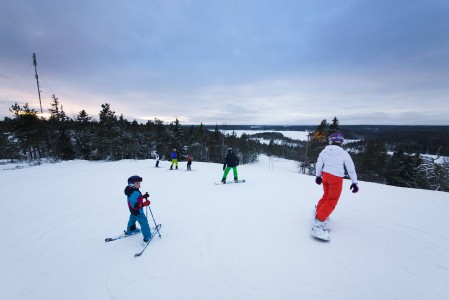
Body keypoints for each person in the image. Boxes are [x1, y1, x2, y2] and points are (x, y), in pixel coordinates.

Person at [313, 132, 359, 233]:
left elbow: (318, 164)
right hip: (336, 178)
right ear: (341, 141)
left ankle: (318, 212)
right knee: (332, 200)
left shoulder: (324, 152)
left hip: (325, 176)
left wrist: (318, 176)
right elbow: (350, 169)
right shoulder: (344, 153)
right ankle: (319, 220)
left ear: (331, 140)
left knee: (326, 195)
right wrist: (354, 182)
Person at [124, 175, 152, 242]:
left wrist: (143, 196)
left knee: (132, 220)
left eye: (139, 183)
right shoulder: (134, 192)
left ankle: (131, 230)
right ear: (131, 184)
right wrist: (144, 204)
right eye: (137, 183)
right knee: (144, 222)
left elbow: (136, 199)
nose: (139, 185)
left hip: (132, 211)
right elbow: (135, 205)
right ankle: (147, 236)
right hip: (138, 211)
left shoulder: (131, 190)